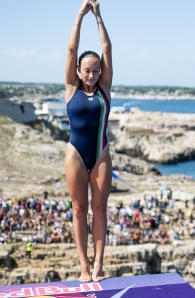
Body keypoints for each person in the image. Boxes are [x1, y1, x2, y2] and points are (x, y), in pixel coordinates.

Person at [64, 0, 112, 282]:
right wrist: (80, 14)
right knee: (79, 209)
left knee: (100, 209)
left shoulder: (105, 88)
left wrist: (99, 17)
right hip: (76, 155)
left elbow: (106, 49)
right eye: (87, 70)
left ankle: (99, 264)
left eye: (96, 70)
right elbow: (71, 49)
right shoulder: (71, 88)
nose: (92, 75)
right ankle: (83, 265)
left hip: (102, 154)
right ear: (79, 70)